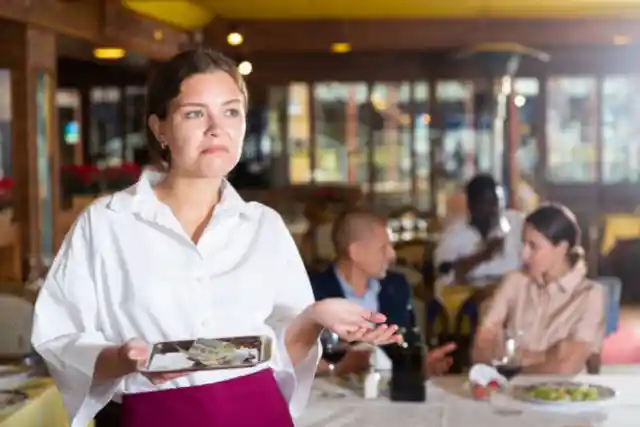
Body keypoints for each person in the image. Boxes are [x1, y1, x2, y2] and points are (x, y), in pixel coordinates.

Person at [31, 49, 402, 427]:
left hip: (259, 413)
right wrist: (121, 359)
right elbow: (60, 337)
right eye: (194, 113)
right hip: (158, 417)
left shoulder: (264, 226)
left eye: (230, 111)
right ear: (160, 128)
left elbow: (273, 357)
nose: (216, 128)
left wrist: (316, 317)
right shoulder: (108, 222)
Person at [310, 209, 456, 376]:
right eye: (383, 248)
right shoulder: (312, 292)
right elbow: (298, 362)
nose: (392, 255)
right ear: (356, 252)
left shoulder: (396, 287)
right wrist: (336, 369)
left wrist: (422, 367)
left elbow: (405, 350)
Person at [472, 204, 605, 374]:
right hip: (509, 395)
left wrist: (512, 362)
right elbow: (480, 349)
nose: (524, 254)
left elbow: (565, 367)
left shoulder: (589, 296)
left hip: (561, 397)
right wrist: (547, 356)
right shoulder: (516, 282)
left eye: (533, 246)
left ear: (561, 248)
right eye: (524, 244)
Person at [434, 174, 524, 286]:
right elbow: (445, 272)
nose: (494, 209)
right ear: (471, 205)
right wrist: (483, 255)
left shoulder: (514, 222)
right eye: (487, 203)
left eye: (496, 202)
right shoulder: (454, 235)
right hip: (472, 297)